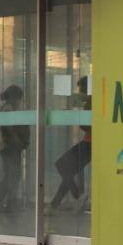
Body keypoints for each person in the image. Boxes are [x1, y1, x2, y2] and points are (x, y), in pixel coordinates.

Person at [50, 76, 92, 210]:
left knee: (62, 166)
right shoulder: (92, 101)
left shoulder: (91, 102)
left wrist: (76, 117)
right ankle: (54, 205)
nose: (80, 93)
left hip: (90, 143)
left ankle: (77, 197)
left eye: (82, 90)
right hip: (88, 141)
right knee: (67, 171)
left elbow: (86, 125)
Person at [0, 84, 29, 215]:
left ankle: (3, 203)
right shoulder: (8, 109)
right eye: (19, 98)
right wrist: (18, 140)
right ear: (13, 97)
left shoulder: (7, 108)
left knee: (11, 176)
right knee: (13, 176)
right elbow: (9, 128)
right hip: (10, 147)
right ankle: (7, 204)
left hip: (9, 147)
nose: (19, 101)